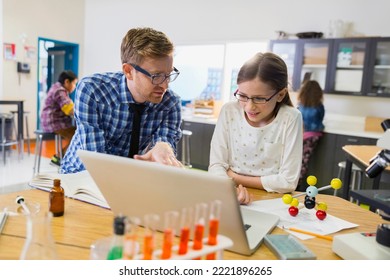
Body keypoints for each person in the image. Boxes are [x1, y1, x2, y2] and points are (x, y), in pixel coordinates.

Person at [60, 27, 183, 174]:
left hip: (125, 177)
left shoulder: (171, 103)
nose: (165, 85)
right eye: (156, 76)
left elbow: (164, 142)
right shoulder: (92, 90)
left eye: (168, 74)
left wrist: (163, 146)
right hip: (79, 175)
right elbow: (97, 160)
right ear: (128, 71)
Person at [209, 52, 303, 205]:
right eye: (243, 96)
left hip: (273, 200)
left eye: (259, 98)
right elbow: (216, 165)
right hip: (230, 194)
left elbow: (288, 182)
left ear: (280, 95)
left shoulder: (291, 118)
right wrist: (229, 189)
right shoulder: (229, 111)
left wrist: (234, 177)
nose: (249, 106)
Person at [41, 70, 78, 166]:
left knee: (76, 133)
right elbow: (69, 109)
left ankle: (61, 157)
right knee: (78, 134)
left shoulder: (56, 88)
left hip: (52, 122)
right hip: (54, 124)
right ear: (67, 82)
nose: (74, 87)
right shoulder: (60, 91)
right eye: (74, 83)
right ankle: (59, 158)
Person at [297, 80, 325, 187]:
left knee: (298, 159)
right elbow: (321, 120)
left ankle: (296, 182)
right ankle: (298, 183)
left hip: (301, 136)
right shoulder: (319, 106)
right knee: (304, 160)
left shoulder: (300, 105)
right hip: (313, 136)